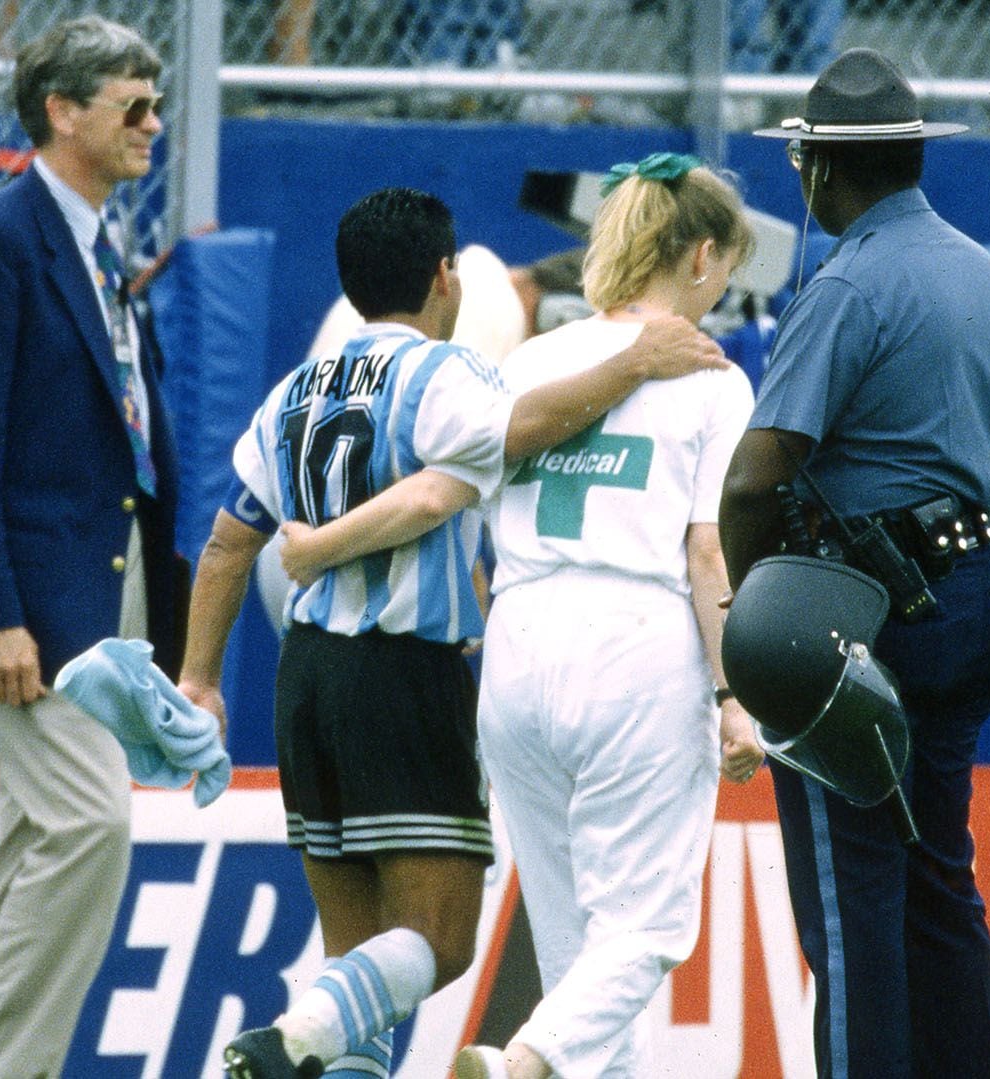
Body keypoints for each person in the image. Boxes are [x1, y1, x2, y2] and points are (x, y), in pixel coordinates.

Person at [176, 186, 726, 1079]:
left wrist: (199, 675)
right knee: (436, 940)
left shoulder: (290, 394)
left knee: (366, 971)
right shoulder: (443, 375)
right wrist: (635, 362)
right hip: (400, 675)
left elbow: (227, 542)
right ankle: (298, 1031)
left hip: (304, 680)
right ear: (444, 276)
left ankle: (321, 1026)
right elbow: (508, 441)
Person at [719, 49, 990, 1078]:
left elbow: (755, 479)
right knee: (941, 883)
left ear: (819, 168)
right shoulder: (983, 269)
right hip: (974, 587)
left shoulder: (849, 280)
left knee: (854, 919)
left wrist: (759, 615)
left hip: (865, 615)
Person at [0, 17, 186, 1078]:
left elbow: (129, 435)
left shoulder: (96, 239)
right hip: (32, 604)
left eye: (156, 105)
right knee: (86, 824)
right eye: (133, 106)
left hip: (103, 595)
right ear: (62, 111)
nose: (153, 126)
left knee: (37, 837)